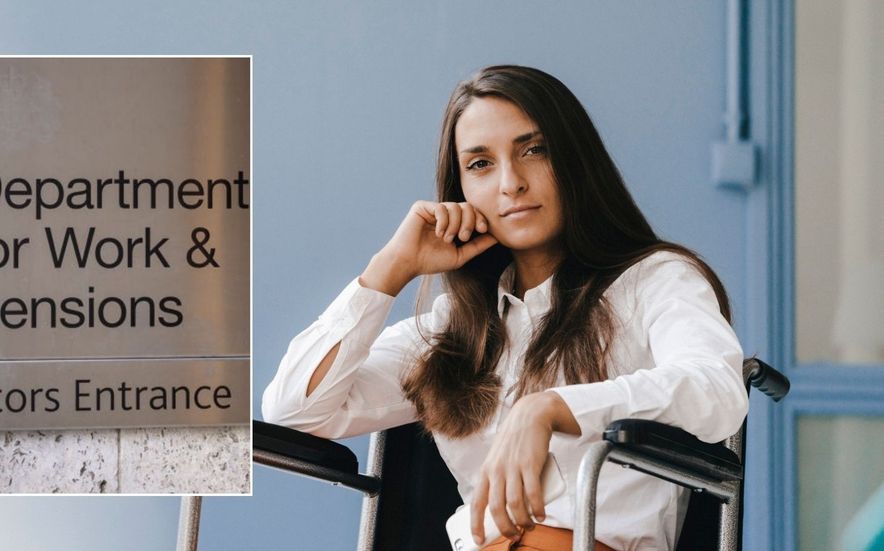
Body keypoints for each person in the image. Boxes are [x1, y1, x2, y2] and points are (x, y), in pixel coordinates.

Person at [262, 65, 749, 551]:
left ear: (576, 160)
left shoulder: (654, 280)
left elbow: (716, 390)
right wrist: (388, 271)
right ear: (461, 191)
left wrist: (552, 408)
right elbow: (295, 413)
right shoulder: (456, 328)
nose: (510, 183)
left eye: (533, 150)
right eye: (480, 164)